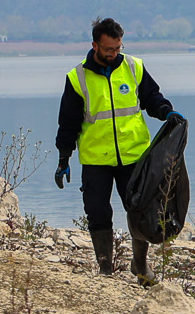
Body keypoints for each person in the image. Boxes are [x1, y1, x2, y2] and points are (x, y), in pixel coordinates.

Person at [53, 17, 174, 278]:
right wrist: (64, 158)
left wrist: (166, 111)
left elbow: (152, 97)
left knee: (139, 211)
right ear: (95, 45)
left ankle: (139, 264)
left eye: (118, 47)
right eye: (109, 49)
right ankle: (105, 269)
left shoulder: (133, 66)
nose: (114, 53)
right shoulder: (77, 78)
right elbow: (68, 122)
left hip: (133, 156)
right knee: (97, 211)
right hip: (96, 159)